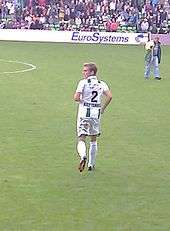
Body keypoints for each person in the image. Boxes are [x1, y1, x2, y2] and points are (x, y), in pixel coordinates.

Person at [74, 63, 112, 172]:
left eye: (85, 71)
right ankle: (91, 164)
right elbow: (110, 96)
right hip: (96, 114)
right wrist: (103, 108)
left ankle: (83, 156)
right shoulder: (101, 83)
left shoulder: (83, 83)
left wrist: (83, 101)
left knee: (81, 137)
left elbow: (76, 98)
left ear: (92, 72)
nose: (83, 72)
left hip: (84, 113)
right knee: (93, 139)